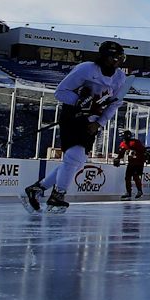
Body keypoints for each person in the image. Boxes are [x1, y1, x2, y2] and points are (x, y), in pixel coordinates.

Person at [25, 40, 129, 212]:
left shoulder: (120, 78)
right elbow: (60, 92)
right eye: (116, 57)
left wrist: (99, 123)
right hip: (74, 116)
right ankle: (58, 195)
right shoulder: (86, 69)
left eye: (121, 58)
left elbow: (114, 104)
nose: (119, 61)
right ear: (105, 57)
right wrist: (80, 102)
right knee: (74, 156)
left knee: (77, 161)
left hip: (92, 122)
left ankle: (38, 188)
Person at [115, 129, 147, 201]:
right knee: (127, 177)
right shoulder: (123, 144)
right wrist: (118, 158)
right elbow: (121, 153)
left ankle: (139, 191)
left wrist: (144, 158)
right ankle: (128, 192)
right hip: (131, 163)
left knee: (135, 176)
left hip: (138, 162)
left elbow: (143, 150)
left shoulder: (135, 142)